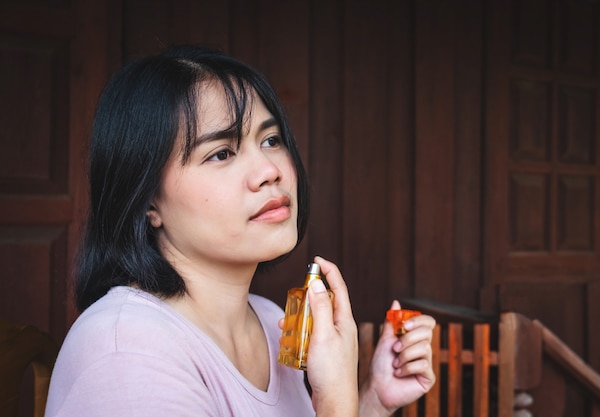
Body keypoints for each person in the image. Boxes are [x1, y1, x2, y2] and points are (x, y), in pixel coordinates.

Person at [44, 45, 436, 417]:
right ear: (147, 200)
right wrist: (335, 398)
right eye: (221, 153)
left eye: (271, 139)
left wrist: (371, 401)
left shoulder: (270, 321)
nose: (271, 170)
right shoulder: (126, 350)